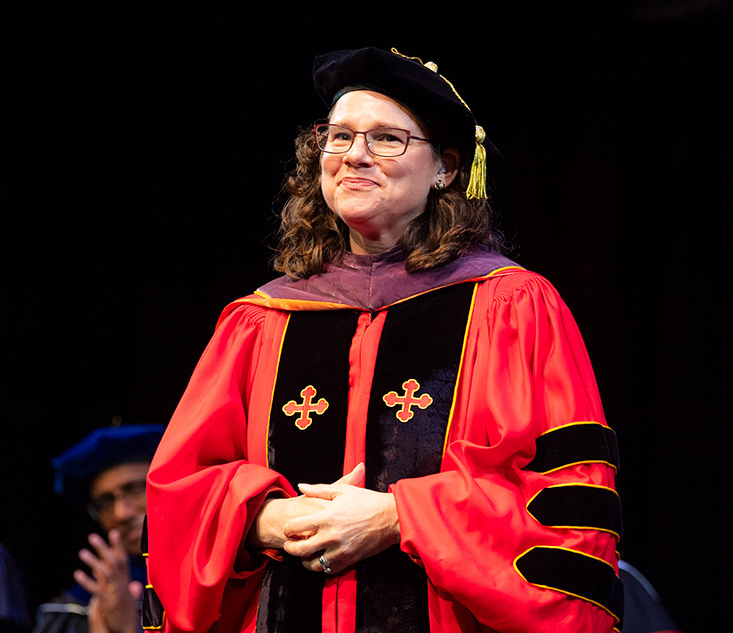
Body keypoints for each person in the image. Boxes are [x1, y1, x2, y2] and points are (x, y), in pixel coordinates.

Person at [144, 47, 623, 633]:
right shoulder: (261, 320)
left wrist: (400, 517)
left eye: (387, 139)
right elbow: (180, 489)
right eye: (339, 137)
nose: (355, 157)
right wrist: (265, 518)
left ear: (446, 168)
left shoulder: (512, 307)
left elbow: (565, 506)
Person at [33, 424, 164, 633]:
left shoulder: (214, 579)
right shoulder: (71, 610)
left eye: (137, 489)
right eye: (106, 502)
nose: (121, 513)